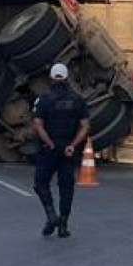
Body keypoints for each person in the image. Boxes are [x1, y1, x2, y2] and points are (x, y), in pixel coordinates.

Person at [30, 63, 92, 239]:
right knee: (66, 188)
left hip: (49, 150)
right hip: (68, 151)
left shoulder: (43, 99)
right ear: (66, 78)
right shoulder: (78, 100)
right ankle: (63, 225)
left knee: (40, 183)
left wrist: (49, 142)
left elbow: (37, 125)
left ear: (51, 78)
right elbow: (85, 126)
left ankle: (51, 216)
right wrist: (73, 144)